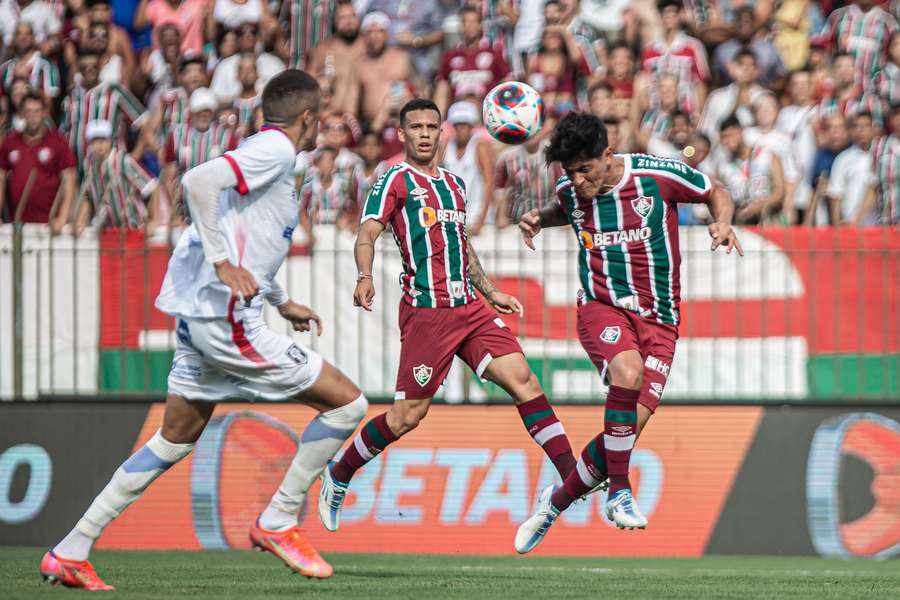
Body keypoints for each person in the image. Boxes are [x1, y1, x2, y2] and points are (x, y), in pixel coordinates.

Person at [42, 70, 366, 590]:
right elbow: (194, 182)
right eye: (318, 117)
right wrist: (220, 265)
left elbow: (249, 238)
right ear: (308, 118)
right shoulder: (278, 152)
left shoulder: (265, 153)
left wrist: (280, 301)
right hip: (225, 319)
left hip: (201, 318)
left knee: (174, 439)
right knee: (348, 404)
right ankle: (279, 519)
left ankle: (71, 549)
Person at [317, 98, 582, 534]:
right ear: (401, 135)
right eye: (415, 127)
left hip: (470, 309)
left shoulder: (455, 185)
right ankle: (339, 473)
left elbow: (462, 244)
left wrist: (490, 289)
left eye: (430, 127)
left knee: (524, 381)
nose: (424, 133)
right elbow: (367, 232)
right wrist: (364, 275)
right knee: (406, 417)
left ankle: (571, 478)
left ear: (441, 133)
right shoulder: (395, 181)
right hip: (428, 314)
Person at [514, 112, 742, 552]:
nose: (578, 180)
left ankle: (552, 505)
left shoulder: (657, 176)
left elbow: (717, 192)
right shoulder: (571, 192)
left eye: (586, 169)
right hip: (602, 307)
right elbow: (565, 207)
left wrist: (723, 222)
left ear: (608, 155)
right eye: (570, 172)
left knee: (625, 430)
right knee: (627, 371)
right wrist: (538, 219)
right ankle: (619, 490)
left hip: (661, 319)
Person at [0, 90, 76, 231]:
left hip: (50, 225)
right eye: (28, 111)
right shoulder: (10, 142)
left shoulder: (58, 141)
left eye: (37, 111)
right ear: (22, 113)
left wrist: (63, 217)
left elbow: (69, 180)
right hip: (17, 224)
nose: (33, 116)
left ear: (44, 113)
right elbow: (1, 178)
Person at [60, 49, 150, 166]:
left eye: (94, 66)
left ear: (101, 66)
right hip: (79, 172)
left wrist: (135, 156)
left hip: (111, 170)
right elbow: (63, 134)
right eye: (84, 67)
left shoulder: (114, 91)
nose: (89, 70)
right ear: (78, 68)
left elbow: (145, 123)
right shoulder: (71, 96)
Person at [161, 87, 238, 221]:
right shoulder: (177, 136)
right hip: (184, 212)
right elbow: (168, 178)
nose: (204, 115)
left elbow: (233, 176)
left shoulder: (225, 137)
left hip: (217, 212)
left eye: (207, 110)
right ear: (191, 111)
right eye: (200, 110)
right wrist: (175, 216)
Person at [72, 119, 160, 235]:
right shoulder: (88, 165)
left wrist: (153, 220)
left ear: (110, 140)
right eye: (95, 141)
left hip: (133, 229)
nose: (99, 145)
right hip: (107, 232)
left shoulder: (123, 161)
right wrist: (80, 221)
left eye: (103, 140)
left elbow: (152, 187)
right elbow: (87, 195)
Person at [433, 4, 510, 116]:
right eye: (466, 22)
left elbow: (506, 83)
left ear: (480, 25)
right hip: (457, 117)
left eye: (474, 21)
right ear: (460, 26)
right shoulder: (450, 55)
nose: (470, 26)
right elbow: (442, 90)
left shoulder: (494, 53)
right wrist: (438, 120)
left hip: (487, 117)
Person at [715, 115, 786, 225]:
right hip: (741, 224)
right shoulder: (723, 166)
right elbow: (721, 197)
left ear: (741, 131)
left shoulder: (767, 155)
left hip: (769, 222)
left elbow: (780, 192)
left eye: (729, 136)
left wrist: (761, 206)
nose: (726, 141)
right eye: (722, 138)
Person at [440, 101, 494, 235]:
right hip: (454, 221)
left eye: (465, 124)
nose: (461, 129)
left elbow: (489, 183)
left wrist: (480, 222)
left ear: (471, 126)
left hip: (477, 219)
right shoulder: (447, 146)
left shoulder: (479, 145)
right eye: (458, 125)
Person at [307, 1, 364, 115]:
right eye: (343, 17)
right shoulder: (323, 49)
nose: (348, 21)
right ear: (334, 22)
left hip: (365, 116)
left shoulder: (369, 47)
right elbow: (309, 85)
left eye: (352, 16)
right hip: (332, 117)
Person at [356, 11, 412, 125]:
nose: (375, 36)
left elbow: (421, 88)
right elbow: (353, 100)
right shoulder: (359, 63)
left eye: (380, 31)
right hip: (370, 124)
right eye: (370, 32)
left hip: (399, 123)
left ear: (387, 34)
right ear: (363, 36)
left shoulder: (402, 57)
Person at [210, 22, 285, 104]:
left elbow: (283, 93)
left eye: (253, 32)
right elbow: (216, 97)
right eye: (241, 33)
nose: (248, 35)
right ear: (236, 38)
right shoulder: (224, 65)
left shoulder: (274, 63)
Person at [826, 112, 879, 224]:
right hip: (849, 226)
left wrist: (856, 222)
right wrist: (837, 226)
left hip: (877, 226)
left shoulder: (883, 154)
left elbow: (874, 190)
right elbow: (836, 195)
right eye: (857, 126)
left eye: (866, 126)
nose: (861, 130)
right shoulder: (843, 158)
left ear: (873, 129)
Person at [0, 21, 60, 99]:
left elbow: (50, 101)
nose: (23, 37)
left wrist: (24, 80)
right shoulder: (6, 67)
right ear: (14, 38)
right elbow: (3, 100)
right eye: (19, 34)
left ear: (33, 38)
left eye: (27, 34)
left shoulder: (46, 65)